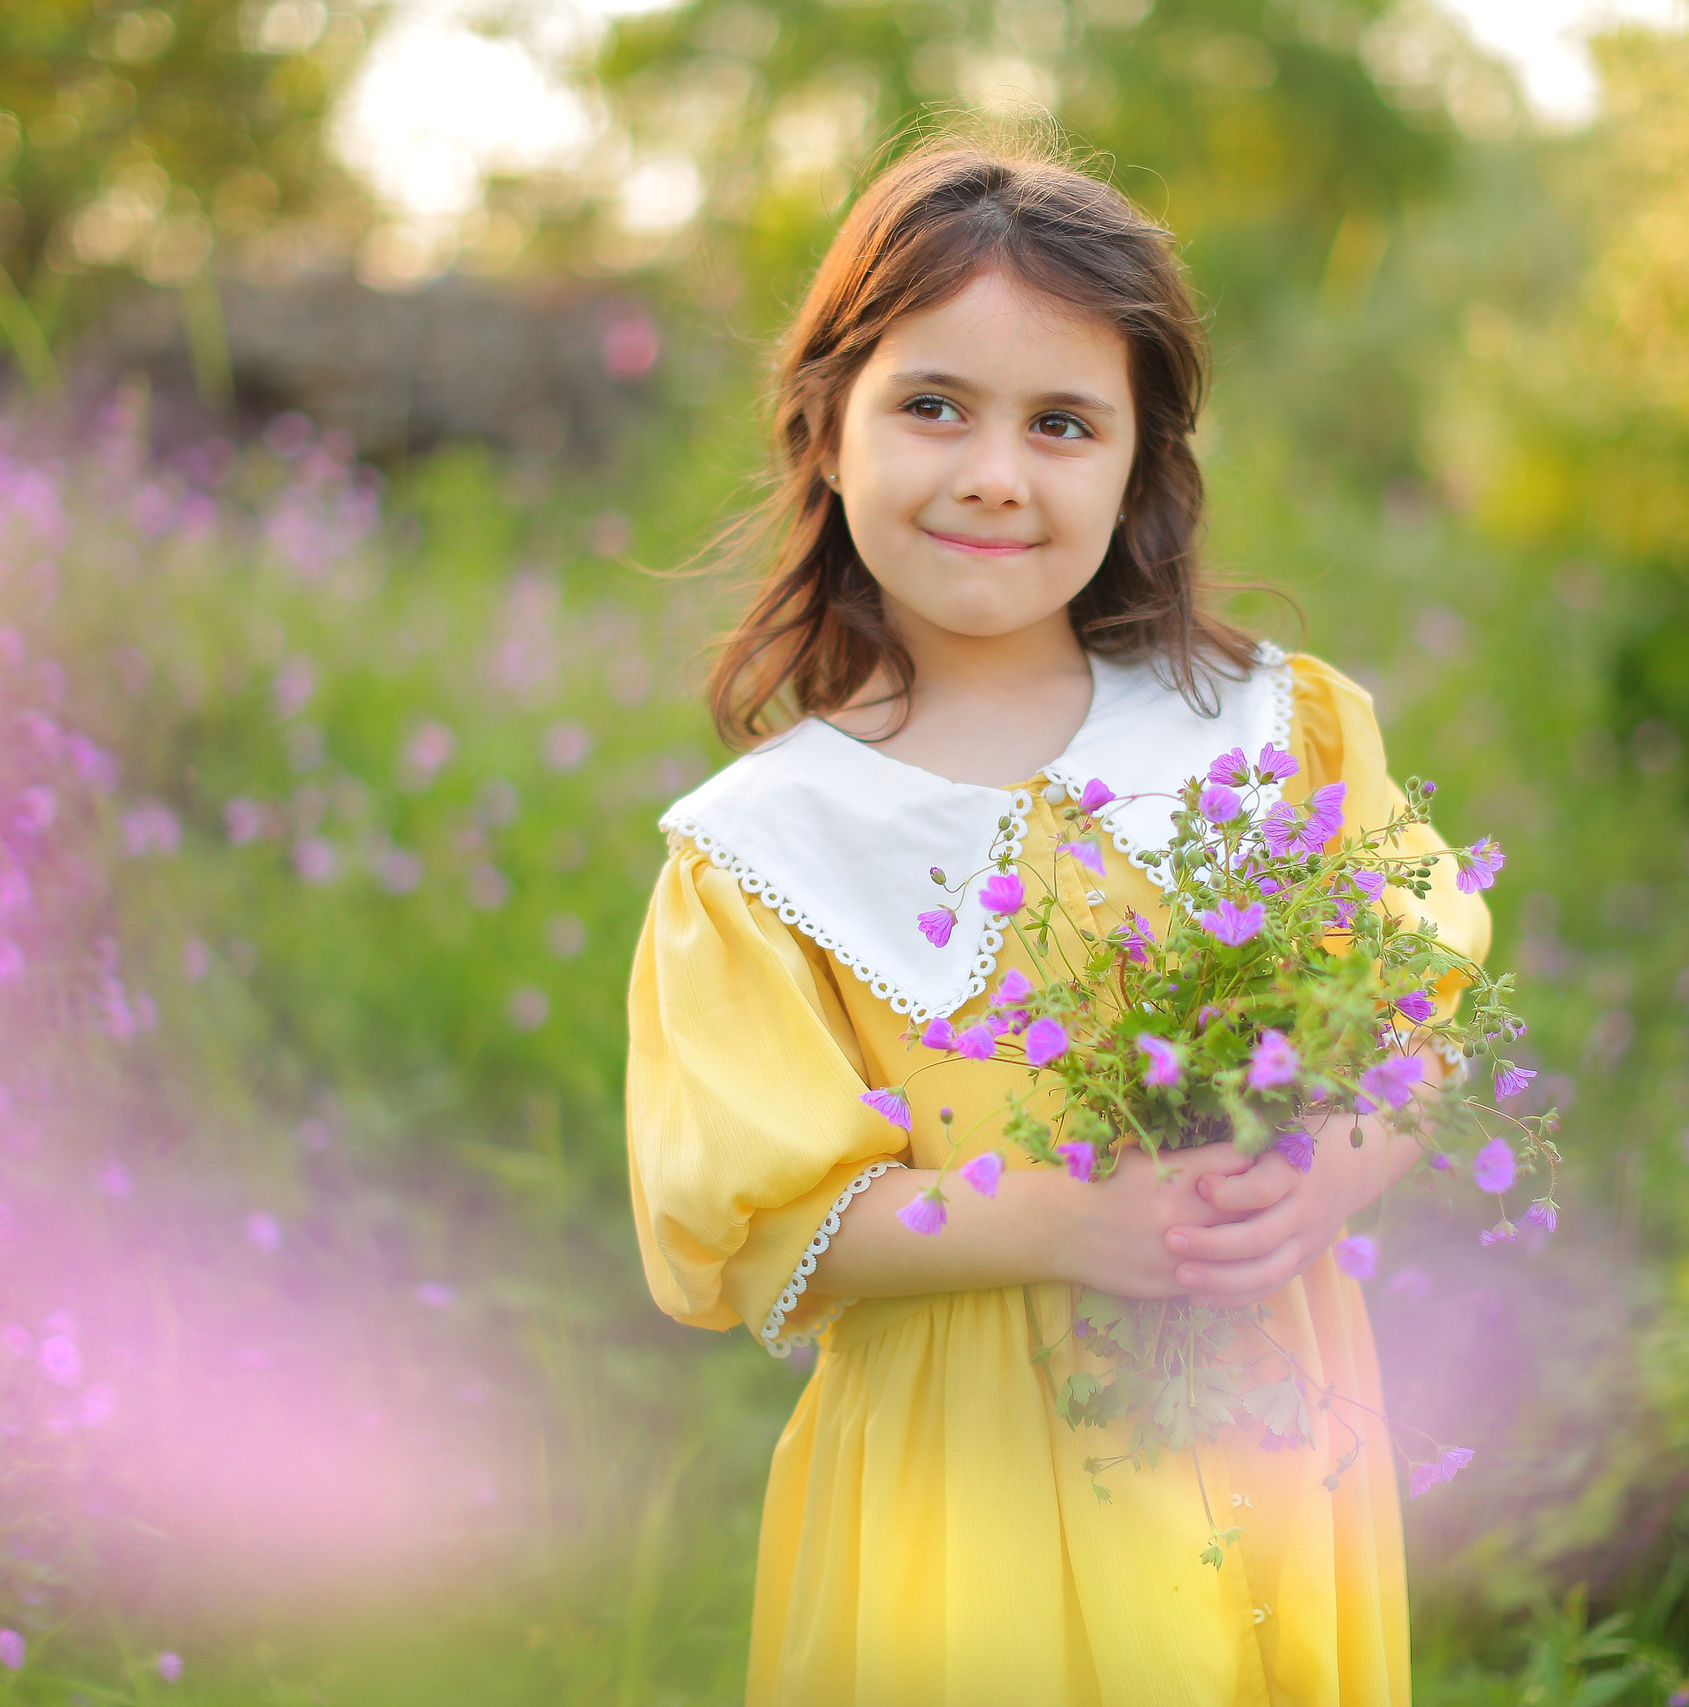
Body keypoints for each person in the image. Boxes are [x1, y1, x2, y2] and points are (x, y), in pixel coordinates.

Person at [625, 131, 1491, 1707]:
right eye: (933, 405)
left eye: (1064, 423)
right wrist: (1068, 1222)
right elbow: (766, 1231)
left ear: (1139, 463)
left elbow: (1415, 1035)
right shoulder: (759, 851)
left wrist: (1329, 1179)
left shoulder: (1266, 734)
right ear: (826, 428)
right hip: (961, 1500)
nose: (996, 473)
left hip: (1255, 1437)